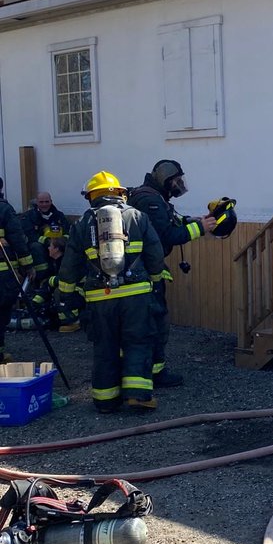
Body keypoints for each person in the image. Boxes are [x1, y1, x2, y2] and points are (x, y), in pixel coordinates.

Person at [56, 171, 165, 413]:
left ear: (92, 196)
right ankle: (138, 396)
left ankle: (105, 401)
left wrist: (66, 296)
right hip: (136, 294)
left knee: (105, 346)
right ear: (120, 193)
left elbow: (69, 266)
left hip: (99, 297)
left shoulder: (83, 223)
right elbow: (155, 255)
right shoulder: (137, 216)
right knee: (138, 341)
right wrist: (157, 282)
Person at [127, 160, 216, 387]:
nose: (179, 185)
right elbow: (167, 235)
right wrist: (200, 229)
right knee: (156, 322)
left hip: (142, 269)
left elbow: (171, 221)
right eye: (176, 181)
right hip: (147, 272)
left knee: (149, 322)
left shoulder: (154, 198)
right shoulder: (151, 201)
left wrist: (193, 221)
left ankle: (148, 370)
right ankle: (154, 373)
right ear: (166, 179)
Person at [20, 191, 70, 328]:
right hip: (39, 249)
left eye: (46, 201)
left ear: (51, 201)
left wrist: (60, 242)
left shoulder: (58, 216)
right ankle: (43, 278)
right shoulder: (29, 217)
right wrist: (47, 241)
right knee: (36, 247)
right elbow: (28, 235)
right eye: (41, 202)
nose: (44, 204)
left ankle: (60, 276)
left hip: (57, 248)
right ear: (37, 203)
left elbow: (67, 231)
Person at [0, 178, 34, 361]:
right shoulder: (4, 209)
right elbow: (18, 240)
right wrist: (28, 266)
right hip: (3, 275)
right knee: (1, 313)